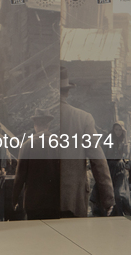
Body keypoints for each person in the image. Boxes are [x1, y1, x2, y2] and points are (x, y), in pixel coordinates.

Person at [59, 67, 114, 217]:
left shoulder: (40, 119)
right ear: (67, 92)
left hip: (40, 202)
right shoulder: (83, 118)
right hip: (72, 199)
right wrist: (107, 198)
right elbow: (97, 160)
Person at [12, 108, 60, 220]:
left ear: (35, 124)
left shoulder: (27, 145)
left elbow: (20, 176)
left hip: (33, 202)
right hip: (55, 202)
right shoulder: (60, 144)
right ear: (48, 124)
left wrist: (14, 199)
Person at [97, 122, 131, 216]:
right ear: (113, 129)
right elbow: (103, 152)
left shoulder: (124, 140)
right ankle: (109, 213)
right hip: (109, 167)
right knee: (108, 191)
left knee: (118, 193)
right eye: (116, 129)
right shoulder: (108, 138)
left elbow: (126, 153)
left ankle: (120, 214)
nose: (118, 132)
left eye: (120, 130)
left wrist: (126, 136)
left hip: (120, 168)